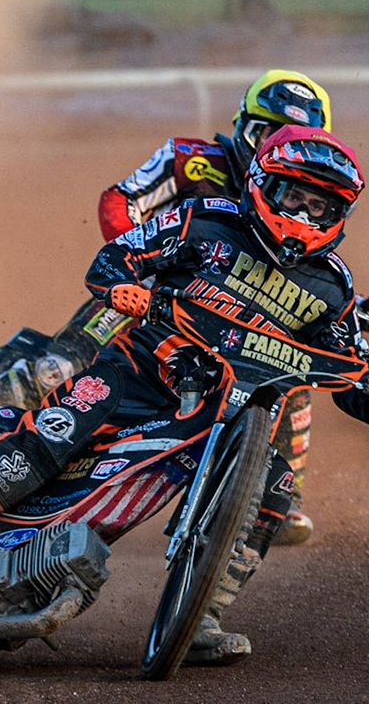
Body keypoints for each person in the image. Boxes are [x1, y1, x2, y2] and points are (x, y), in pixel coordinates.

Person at [0, 127, 369, 666]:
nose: (302, 214)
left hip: (224, 410)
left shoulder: (332, 284)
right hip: (137, 372)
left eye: (320, 206)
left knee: (274, 491)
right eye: (294, 195)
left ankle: (203, 621)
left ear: (341, 214)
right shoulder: (202, 219)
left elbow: (351, 366)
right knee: (37, 447)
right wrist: (125, 289)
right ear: (263, 183)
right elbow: (116, 259)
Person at [98, 69, 335, 546]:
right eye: (266, 132)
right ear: (244, 126)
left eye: (289, 138)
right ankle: (35, 418)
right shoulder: (191, 158)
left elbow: (316, 265)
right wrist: (139, 258)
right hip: (159, 294)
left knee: (292, 371)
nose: (274, 145)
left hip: (244, 318)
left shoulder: (308, 197)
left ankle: (269, 498)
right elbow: (121, 199)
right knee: (82, 339)